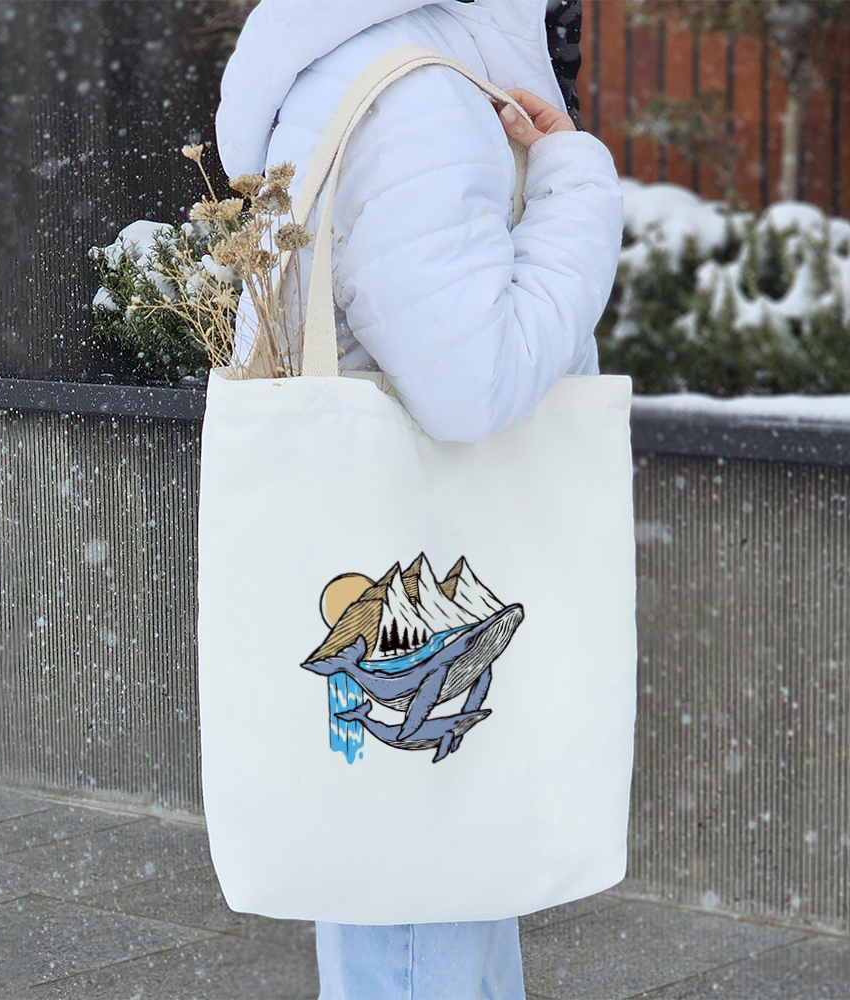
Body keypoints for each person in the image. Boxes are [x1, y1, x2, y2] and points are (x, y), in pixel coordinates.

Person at [216, 1, 623, 996]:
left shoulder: (368, 60)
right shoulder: (417, 95)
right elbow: (470, 384)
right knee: (420, 914)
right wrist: (575, 186)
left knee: (426, 886)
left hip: (402, 582)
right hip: (422, 585)